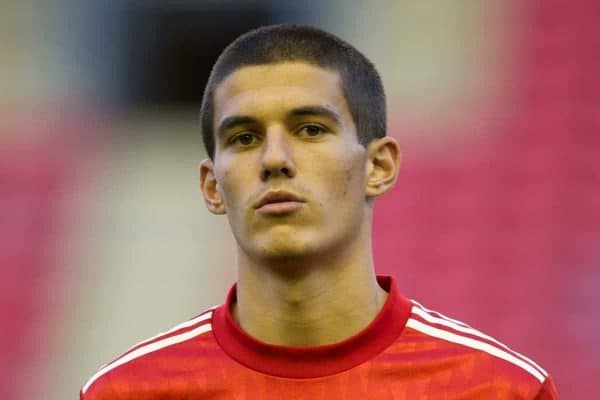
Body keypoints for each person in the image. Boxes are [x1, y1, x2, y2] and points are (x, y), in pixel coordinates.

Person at [80, 24, 558, 399]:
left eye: (310, 129)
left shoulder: (498, 388)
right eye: (244, 138)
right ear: (212, 186)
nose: (273, 160)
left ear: (379, 166)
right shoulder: (127, 392)